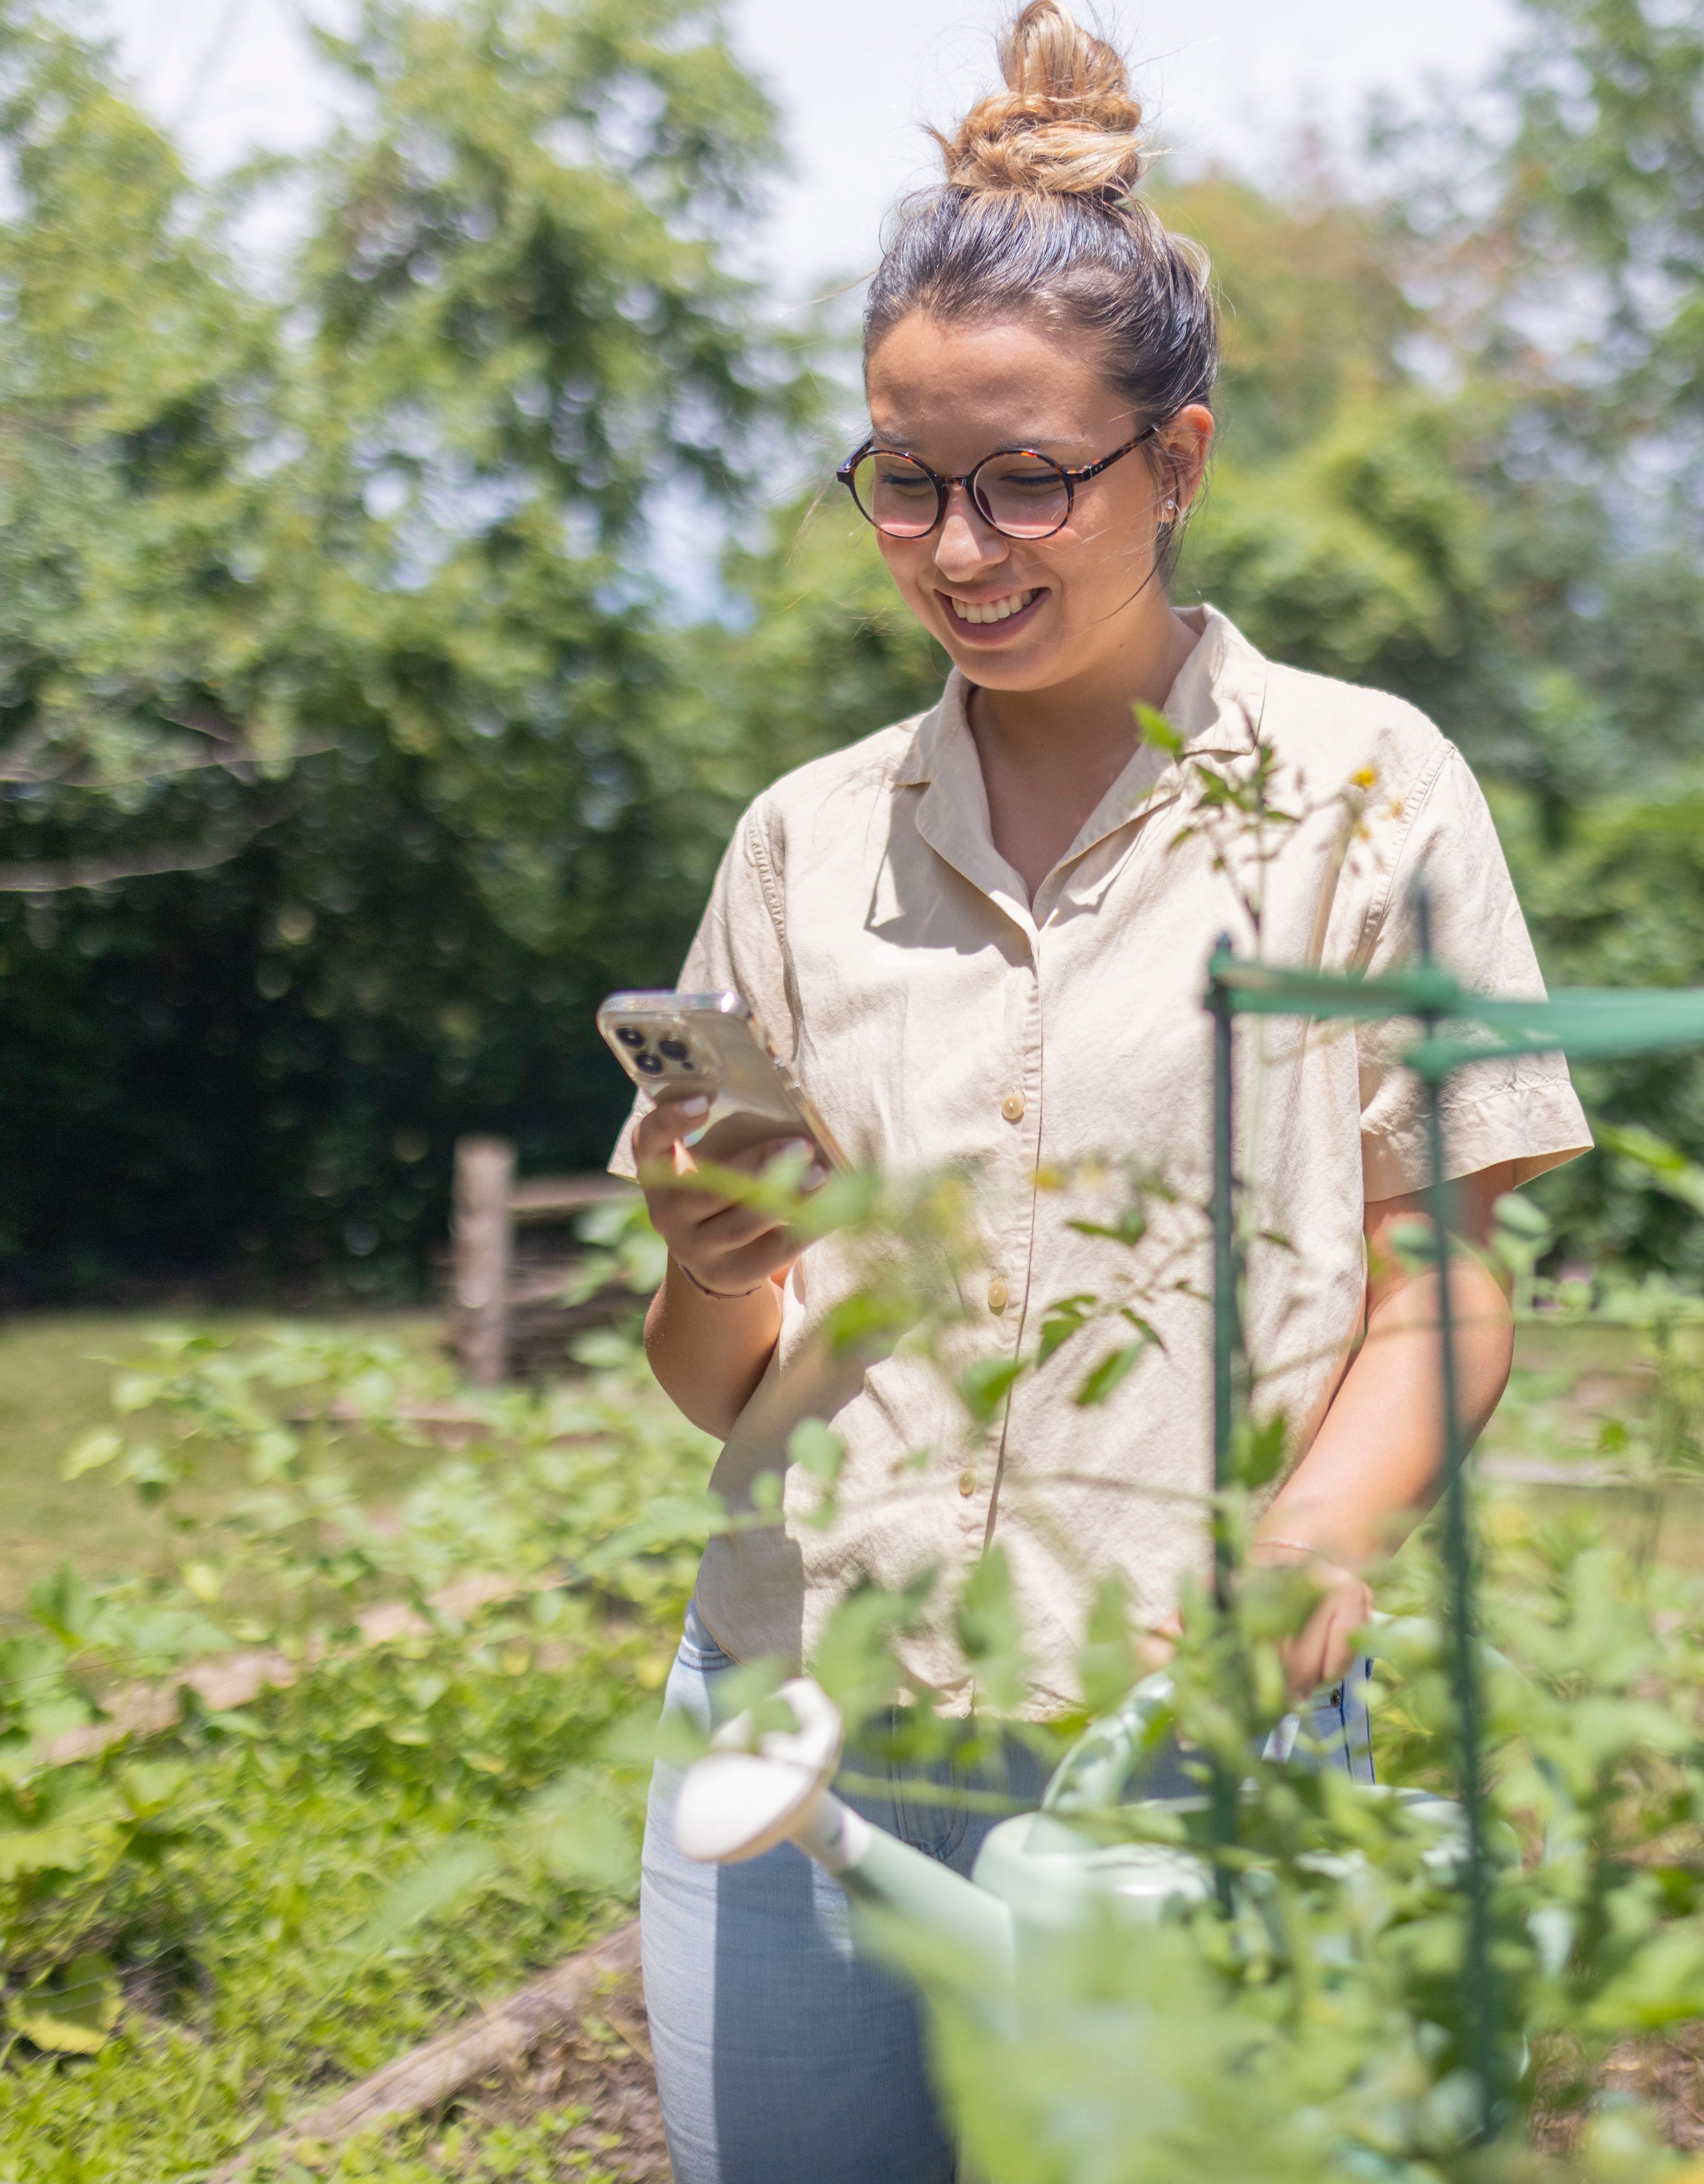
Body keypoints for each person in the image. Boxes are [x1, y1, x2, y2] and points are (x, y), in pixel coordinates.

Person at [611, 6, 1589, 2175]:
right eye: (907, 481)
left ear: (1178, 456)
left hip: (1178, 1745)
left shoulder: (1365, 795)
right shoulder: (802, 839)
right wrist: (711, 1270)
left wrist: (1309, 1558)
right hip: (790, 1735)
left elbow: (1452, 1282)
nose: (962, 548)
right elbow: (728, 1385)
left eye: (1029, 477)